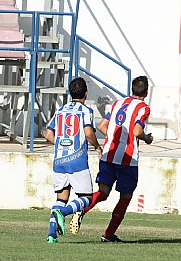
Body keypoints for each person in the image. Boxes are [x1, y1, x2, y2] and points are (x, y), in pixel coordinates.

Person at [72, 75, 153, 243]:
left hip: (108, 154)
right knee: (125, 197)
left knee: (102, 192)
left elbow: (102, 126)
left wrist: (112, 139)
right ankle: (108, 235)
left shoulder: (118, 103)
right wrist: (147, 138)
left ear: (132, 89)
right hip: (127, 159)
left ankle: (82, 210)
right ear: (146, 92)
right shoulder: (143, 108)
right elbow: (137, 131)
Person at [45, 77, 102, 243]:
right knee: (87, 198)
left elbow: (48, 134)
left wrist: (62, 143)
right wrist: (97, 147)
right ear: (86, 93)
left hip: (59, 160)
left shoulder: (60, 110)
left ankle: (51, 236)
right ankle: (63, 213)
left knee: (61, 199)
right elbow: (89, 133)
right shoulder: (85, 111)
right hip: (76, 160)